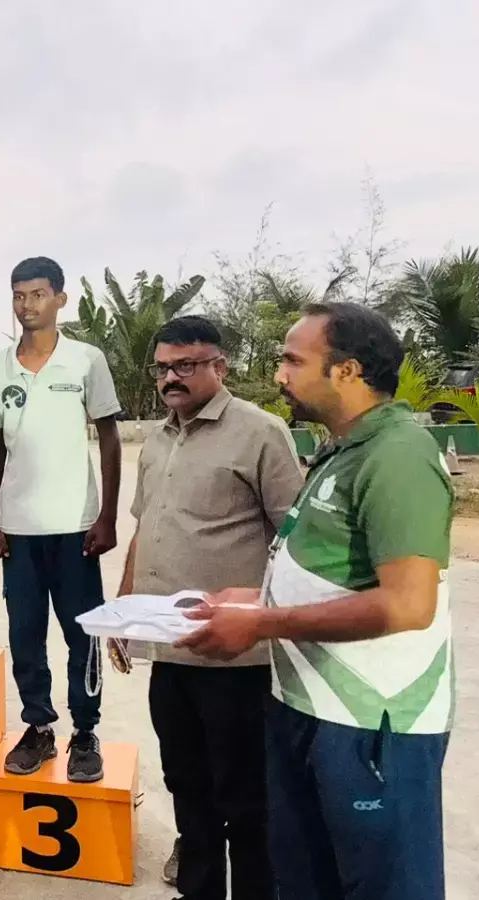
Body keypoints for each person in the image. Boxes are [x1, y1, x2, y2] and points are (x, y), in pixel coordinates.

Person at [177, 302, 454, 900]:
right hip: (306, 707)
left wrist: (262, 624)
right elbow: (333, 575)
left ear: (348, 371)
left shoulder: (398, 456)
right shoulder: (342, 449)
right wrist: (254, 598)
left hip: (371, 725)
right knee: (304, 879)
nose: (279, 374)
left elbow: (409, 604)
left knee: (381, 885)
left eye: (293, 360)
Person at [118, 316, 303, 900]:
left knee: (245, 800)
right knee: (187, 789)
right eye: (164, 368)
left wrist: (265, 617)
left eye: (186, 366)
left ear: (219, 367)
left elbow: (294, 542)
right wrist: (125, 612)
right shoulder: (159, 440)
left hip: (235, 660)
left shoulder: (261, 433)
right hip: (170, 652)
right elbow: (145, 529)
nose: (172, 378)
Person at [0, 256, 121, 783]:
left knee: (82, 635)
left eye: (38, 295)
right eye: (18, 296)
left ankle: (86, 732)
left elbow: (109, 437)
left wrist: (105, 515)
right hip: (18, 528)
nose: (27, 306)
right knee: (25, 634)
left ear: (60, 299)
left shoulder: (85, 360)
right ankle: (38, 727)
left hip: (76, 527)